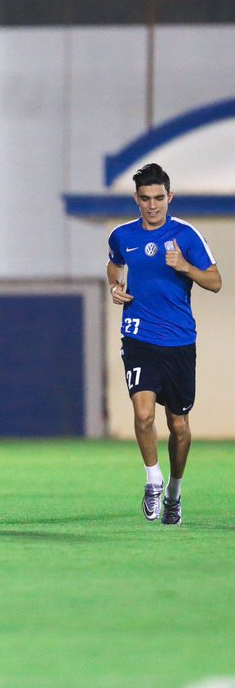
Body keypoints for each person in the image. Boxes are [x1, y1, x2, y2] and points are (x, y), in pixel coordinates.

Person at [107, 163, 220, 526]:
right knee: (142, 414)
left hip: (179, 341)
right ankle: (153, 480)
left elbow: (215, 282)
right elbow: (114, 264)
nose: (153, 205)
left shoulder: (186, 236)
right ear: (136, 199)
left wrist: (186, 266)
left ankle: (174, 491)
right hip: (138, 334)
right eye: (145, 199)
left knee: (180, 425)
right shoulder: (122, 235)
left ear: (169, 197)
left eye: (159, 198)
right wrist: (115, 285)